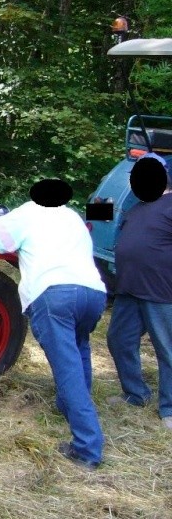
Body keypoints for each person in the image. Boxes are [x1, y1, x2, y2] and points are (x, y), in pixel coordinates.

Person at [0, 178, 107, 469]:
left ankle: (87, 448)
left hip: (54, 293)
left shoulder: (28, 212)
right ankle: (70, 407)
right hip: (93, 291)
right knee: (80, 346)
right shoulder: (71, 216)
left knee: (66, 364)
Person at [108, 153, 172, 430]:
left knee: (167, 351)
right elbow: (102, 214)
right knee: (118, 340)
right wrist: (95, 208)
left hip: (161, 292)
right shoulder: (137, 207)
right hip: (129, 289)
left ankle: (169, 409)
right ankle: (136, 394)